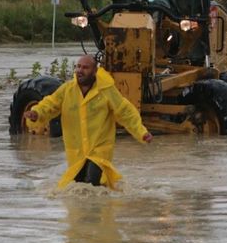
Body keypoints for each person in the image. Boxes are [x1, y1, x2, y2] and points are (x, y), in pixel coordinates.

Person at [24, 55, 153, 190]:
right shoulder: (67, 90)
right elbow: (49, 105)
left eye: (85, 68)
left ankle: (99, 209)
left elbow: (125, 112)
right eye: (78, 67)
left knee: (92, 181)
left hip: (99, 149)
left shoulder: (107, 90)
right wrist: (36, 114)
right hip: (77, 152)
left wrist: (141, 132)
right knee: (79, 186)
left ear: (95, 71)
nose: (80, 70)